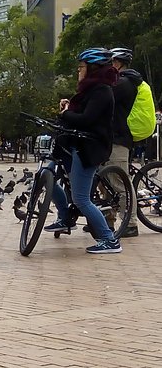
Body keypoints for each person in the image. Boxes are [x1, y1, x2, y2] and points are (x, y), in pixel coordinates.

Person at [43, 48, 121, 254]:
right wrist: (68, 106)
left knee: (81, 199)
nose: (79, 71)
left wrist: (67, 113)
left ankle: (109, 239)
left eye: (82, 67)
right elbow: (79, 112)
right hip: (72, 144)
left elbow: (86, 119)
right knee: (45, 174)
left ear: (93, 68)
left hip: (89, 148)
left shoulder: (102, 91)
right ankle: (64, 218)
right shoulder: (88, 90)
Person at [101, 47, 145, 238]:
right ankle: (107, 221)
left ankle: (131, 223)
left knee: (121, 183)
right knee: (105, 181)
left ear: (117, 63)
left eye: (109, 63)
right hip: (109, 138)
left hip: (119, 139)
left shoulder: (124, 83)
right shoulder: (118, 81)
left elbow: (102, 98)